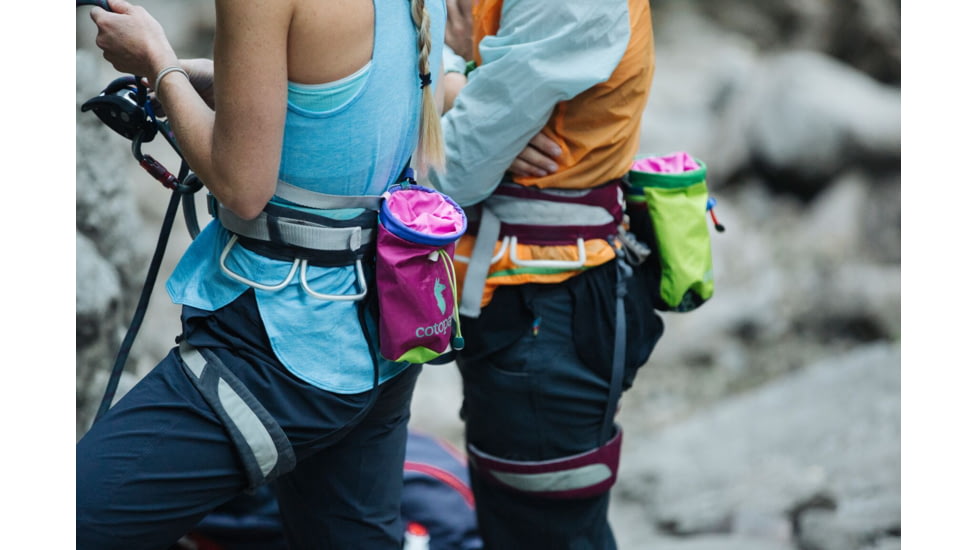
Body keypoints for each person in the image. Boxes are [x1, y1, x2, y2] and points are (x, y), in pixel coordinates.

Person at [76, 0, 446, 548]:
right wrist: (203, 76)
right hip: (383, 326)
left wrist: (156, 58)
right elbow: (340, 99)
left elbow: (243, 187)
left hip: (277, 347)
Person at [427, 0, 664, 548]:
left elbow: (453, 170)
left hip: (548, 314)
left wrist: (461, 99)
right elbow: (425, 37)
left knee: (544, 527)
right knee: (522, 520)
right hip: (517, 305)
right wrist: (458, 90)